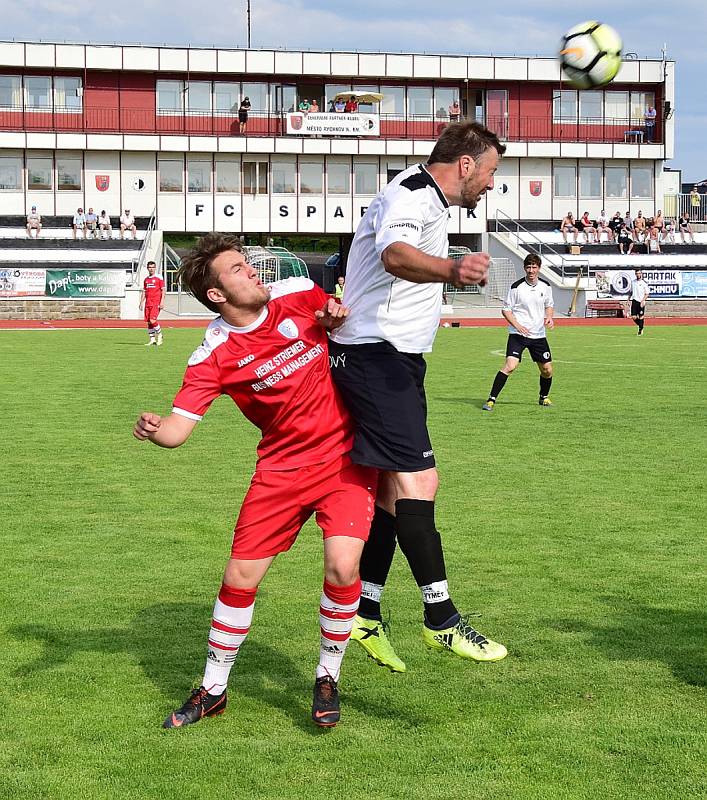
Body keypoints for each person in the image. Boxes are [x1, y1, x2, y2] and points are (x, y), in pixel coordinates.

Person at [133, 233, 377, 729]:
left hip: (344, 459)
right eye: (238, 269)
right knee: (239, 578)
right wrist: (157, 431)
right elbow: (179, 432)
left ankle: (328, 675)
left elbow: (341, 314)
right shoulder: (213, 354)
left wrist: (334, 317)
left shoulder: (298, 293)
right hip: (280, 471)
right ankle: (214, 687)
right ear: (217, 296)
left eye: (248, 263)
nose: (251, 271)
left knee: (342, 565)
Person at [328, 122, 508, 671]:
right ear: (467, 164)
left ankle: (365, 610)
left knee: (390, 490)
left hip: (392, 359)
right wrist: (453, 269)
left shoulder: (424, 198)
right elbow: (395, 255)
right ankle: (441, 618)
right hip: (375, 356)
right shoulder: (411, 194)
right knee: (419, 480)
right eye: (493, 171)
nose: (493, 184)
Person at [482, 253, 555, 412]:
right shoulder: (516, 287)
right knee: (510, 365)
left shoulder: (546, 286)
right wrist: (518, 326)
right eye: (528, 267)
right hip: (518, 335)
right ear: (524, 268)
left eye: (534, 267)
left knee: (547, 370)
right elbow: (506, 310)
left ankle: (544, 397)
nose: (531, 270)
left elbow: (549, 305)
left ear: (539, 268)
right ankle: (491, 400)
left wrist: (549, 317)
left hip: (538, 335)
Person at [139, 261, 165, 346]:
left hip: (156, 302)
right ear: (147, 268)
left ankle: (160, 334)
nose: (151, 269)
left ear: (155, 268)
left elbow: (163, 290)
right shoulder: (146, 280)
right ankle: (152, 339)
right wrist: (141, 302)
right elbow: (144, 291)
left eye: (153, 267)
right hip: (148, 303)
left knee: (152, 320)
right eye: (150, 267)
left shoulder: (159, 278)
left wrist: (162, 302)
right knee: (149, 322)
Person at [628, 268, 650, 335]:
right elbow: (631, 292)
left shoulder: (644, 283)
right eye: (637, 273)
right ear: (635, 274)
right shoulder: (633, 282)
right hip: (634, 301)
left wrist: (643, 301)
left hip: (641, 301)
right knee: (633, 317)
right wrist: (628, 299)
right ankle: (641, 326)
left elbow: (647, 293)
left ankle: (640, 330)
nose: (638, 275)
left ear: (641, 274)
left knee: (641, 316)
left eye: (639, 273)